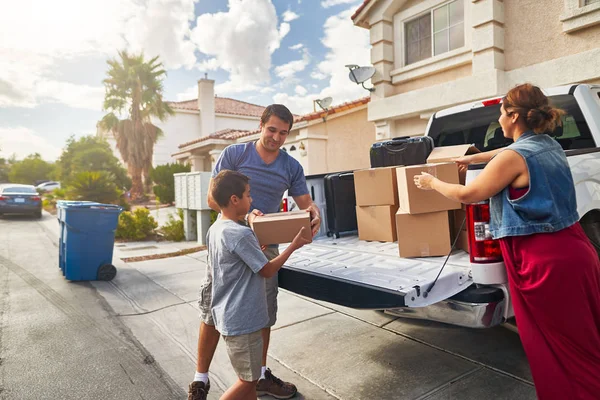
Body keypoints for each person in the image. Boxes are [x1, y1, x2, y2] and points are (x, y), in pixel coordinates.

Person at [414, 83, 600, 399]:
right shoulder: (548, 145)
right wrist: (472, 160)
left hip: (544, 263)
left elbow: (469, 194)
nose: (499, 119)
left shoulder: (514, 157)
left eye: (501, 113)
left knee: (560, 352)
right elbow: (507, 153)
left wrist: (432, 182)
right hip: (576, 252)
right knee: (584, 341)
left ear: (513, 116)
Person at [188, 104, 321, 400]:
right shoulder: (235, 155)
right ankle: (200, 380)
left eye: (283, 133)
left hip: (266, 243)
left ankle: (258, 377)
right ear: (260, 125)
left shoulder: (291, 166)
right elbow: (213, 197)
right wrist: (246, 218)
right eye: (272, 129)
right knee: (212, 307)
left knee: (262, 313)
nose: (276, 137)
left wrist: (314, 214)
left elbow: (304, 203)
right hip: (229, 241)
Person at [191, 170, 310, 400]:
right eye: (248, 195)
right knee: (249, 381)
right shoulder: (240, 234)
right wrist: (293, 246)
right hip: (245, 321)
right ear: (234, 199)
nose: (251, 199)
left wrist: (255, 250)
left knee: (248, 378)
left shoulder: (217, 229)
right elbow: (267, 271)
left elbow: (234, 260)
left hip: (229, 318)